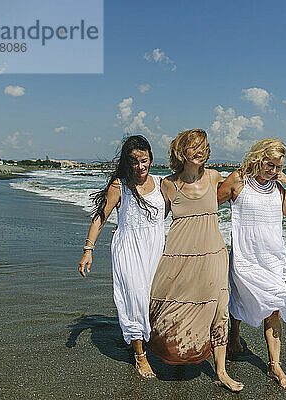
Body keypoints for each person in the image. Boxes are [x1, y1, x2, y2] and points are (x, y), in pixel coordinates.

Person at [148, 129, 244, 392]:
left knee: (218, 308)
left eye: (203, 146)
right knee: (175, 306)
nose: (200, 151)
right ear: (181, 152)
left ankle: (221, 372)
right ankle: (176, 350)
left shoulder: (214, 178)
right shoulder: (167, 184)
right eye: (194, 147)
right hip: (179, 257)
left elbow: (243, 197)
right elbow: (156, 219)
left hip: (213, 254)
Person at [78, 135, 165, 378]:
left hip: (155, 249)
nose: (140, 167)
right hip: (128, 249)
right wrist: (88, 250)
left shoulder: (161, 183)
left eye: (144, 161)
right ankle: (140, 356)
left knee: (151, 300)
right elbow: (100, 217)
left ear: (151, 158)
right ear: (128, 162)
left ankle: (144, 342)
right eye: (135, 162)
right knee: (135, 299)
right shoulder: (120, 186)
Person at [217, 137, 286, 390]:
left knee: (275, 303)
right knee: (240, 299)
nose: (273, 171)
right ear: (257, 157)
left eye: (277, 166)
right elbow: (210, 205)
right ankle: (234, 338)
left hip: (273, 258)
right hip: (246, 257)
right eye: (269, 164)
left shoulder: (278, 186)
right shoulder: (238, 180)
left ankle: (274, 365)